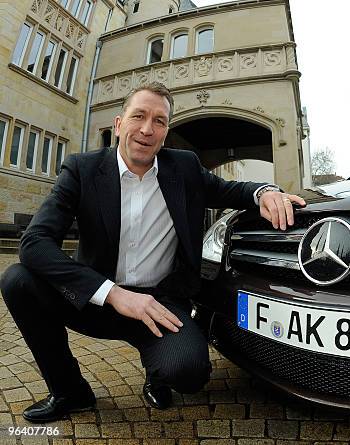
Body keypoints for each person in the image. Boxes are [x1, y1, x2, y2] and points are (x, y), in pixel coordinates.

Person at [0, 81, 305, 423]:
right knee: (18, 280)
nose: (147, 129)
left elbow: (233, 190)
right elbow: (35, 243)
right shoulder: (82, 169)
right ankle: (70, 391)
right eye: (139, 116)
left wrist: (265, 192)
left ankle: (157, 374)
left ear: (166, 132)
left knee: (189, 373)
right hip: (95, 297)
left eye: (159, 121)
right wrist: (112, 294)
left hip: (159, 303)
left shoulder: (184, 168)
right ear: (119, 124)